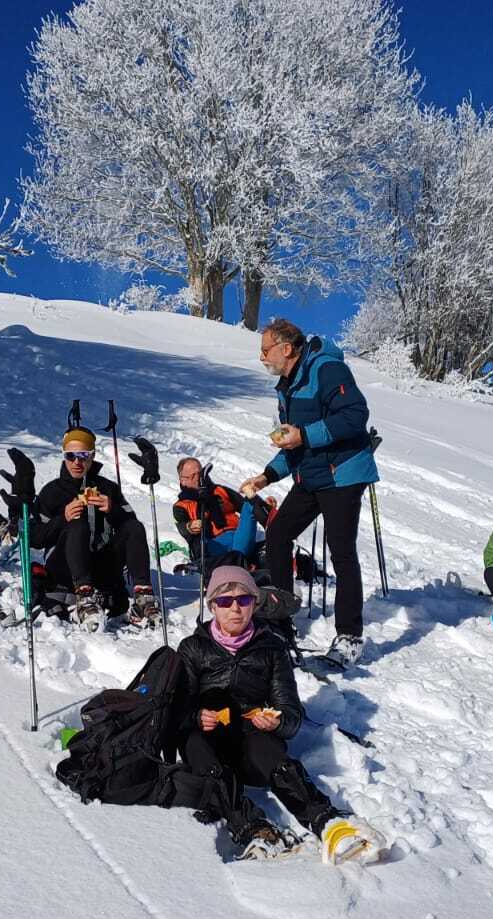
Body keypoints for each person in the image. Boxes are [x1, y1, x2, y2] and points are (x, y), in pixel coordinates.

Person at [176, 566, 385, 864]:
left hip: (252, 743)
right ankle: (252, 827)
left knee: (274, 756)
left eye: (243, 600)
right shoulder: (192, 648)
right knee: (197, 747)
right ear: (212, 606)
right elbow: (177, 708)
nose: (235, 608)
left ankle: (328, 822)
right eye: (224, 601)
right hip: (207, 742)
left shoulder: (272, 648)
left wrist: (278, 722)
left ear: (254, 603)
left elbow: (291, 713)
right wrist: (197, 717)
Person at [240, 317, 377, 669]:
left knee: (341, 551)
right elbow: (293, 442)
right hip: (311, 475)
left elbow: (355, 416)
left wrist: (304, 435)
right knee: (277, 533)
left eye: (265, 350)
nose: (262, 357)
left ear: (286, 348)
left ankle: (349, 636)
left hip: (343, 473)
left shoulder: (327, 370)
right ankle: (281, 618)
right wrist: (266, 476)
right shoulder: (286, 385)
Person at [32, 428, 160, 628]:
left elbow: (133, 530)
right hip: (64, 568)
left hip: (102, 566)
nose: (77, 462)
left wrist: (112, 510)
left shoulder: (107, 488)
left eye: (83, 455)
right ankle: (84, 596)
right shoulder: (52, 492)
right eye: (70, 456)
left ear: (92, 456)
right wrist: (62, 518)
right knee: (77, 524)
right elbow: (35, 538)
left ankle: (143, 598)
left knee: (134, 526)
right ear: (64, 456)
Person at [171, 457, 273, 572]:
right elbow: (182, 527)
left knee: (250, 503)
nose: (198, 478)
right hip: (214, 544)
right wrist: (190, 527)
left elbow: (244, 505)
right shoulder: (181, 506)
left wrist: (264, 506)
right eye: (193, 476)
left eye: (200, 473)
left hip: (239, 537)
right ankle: (243, 563)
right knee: (228, 554)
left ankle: (275, 531)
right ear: (183, 480)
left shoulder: (220, 491)